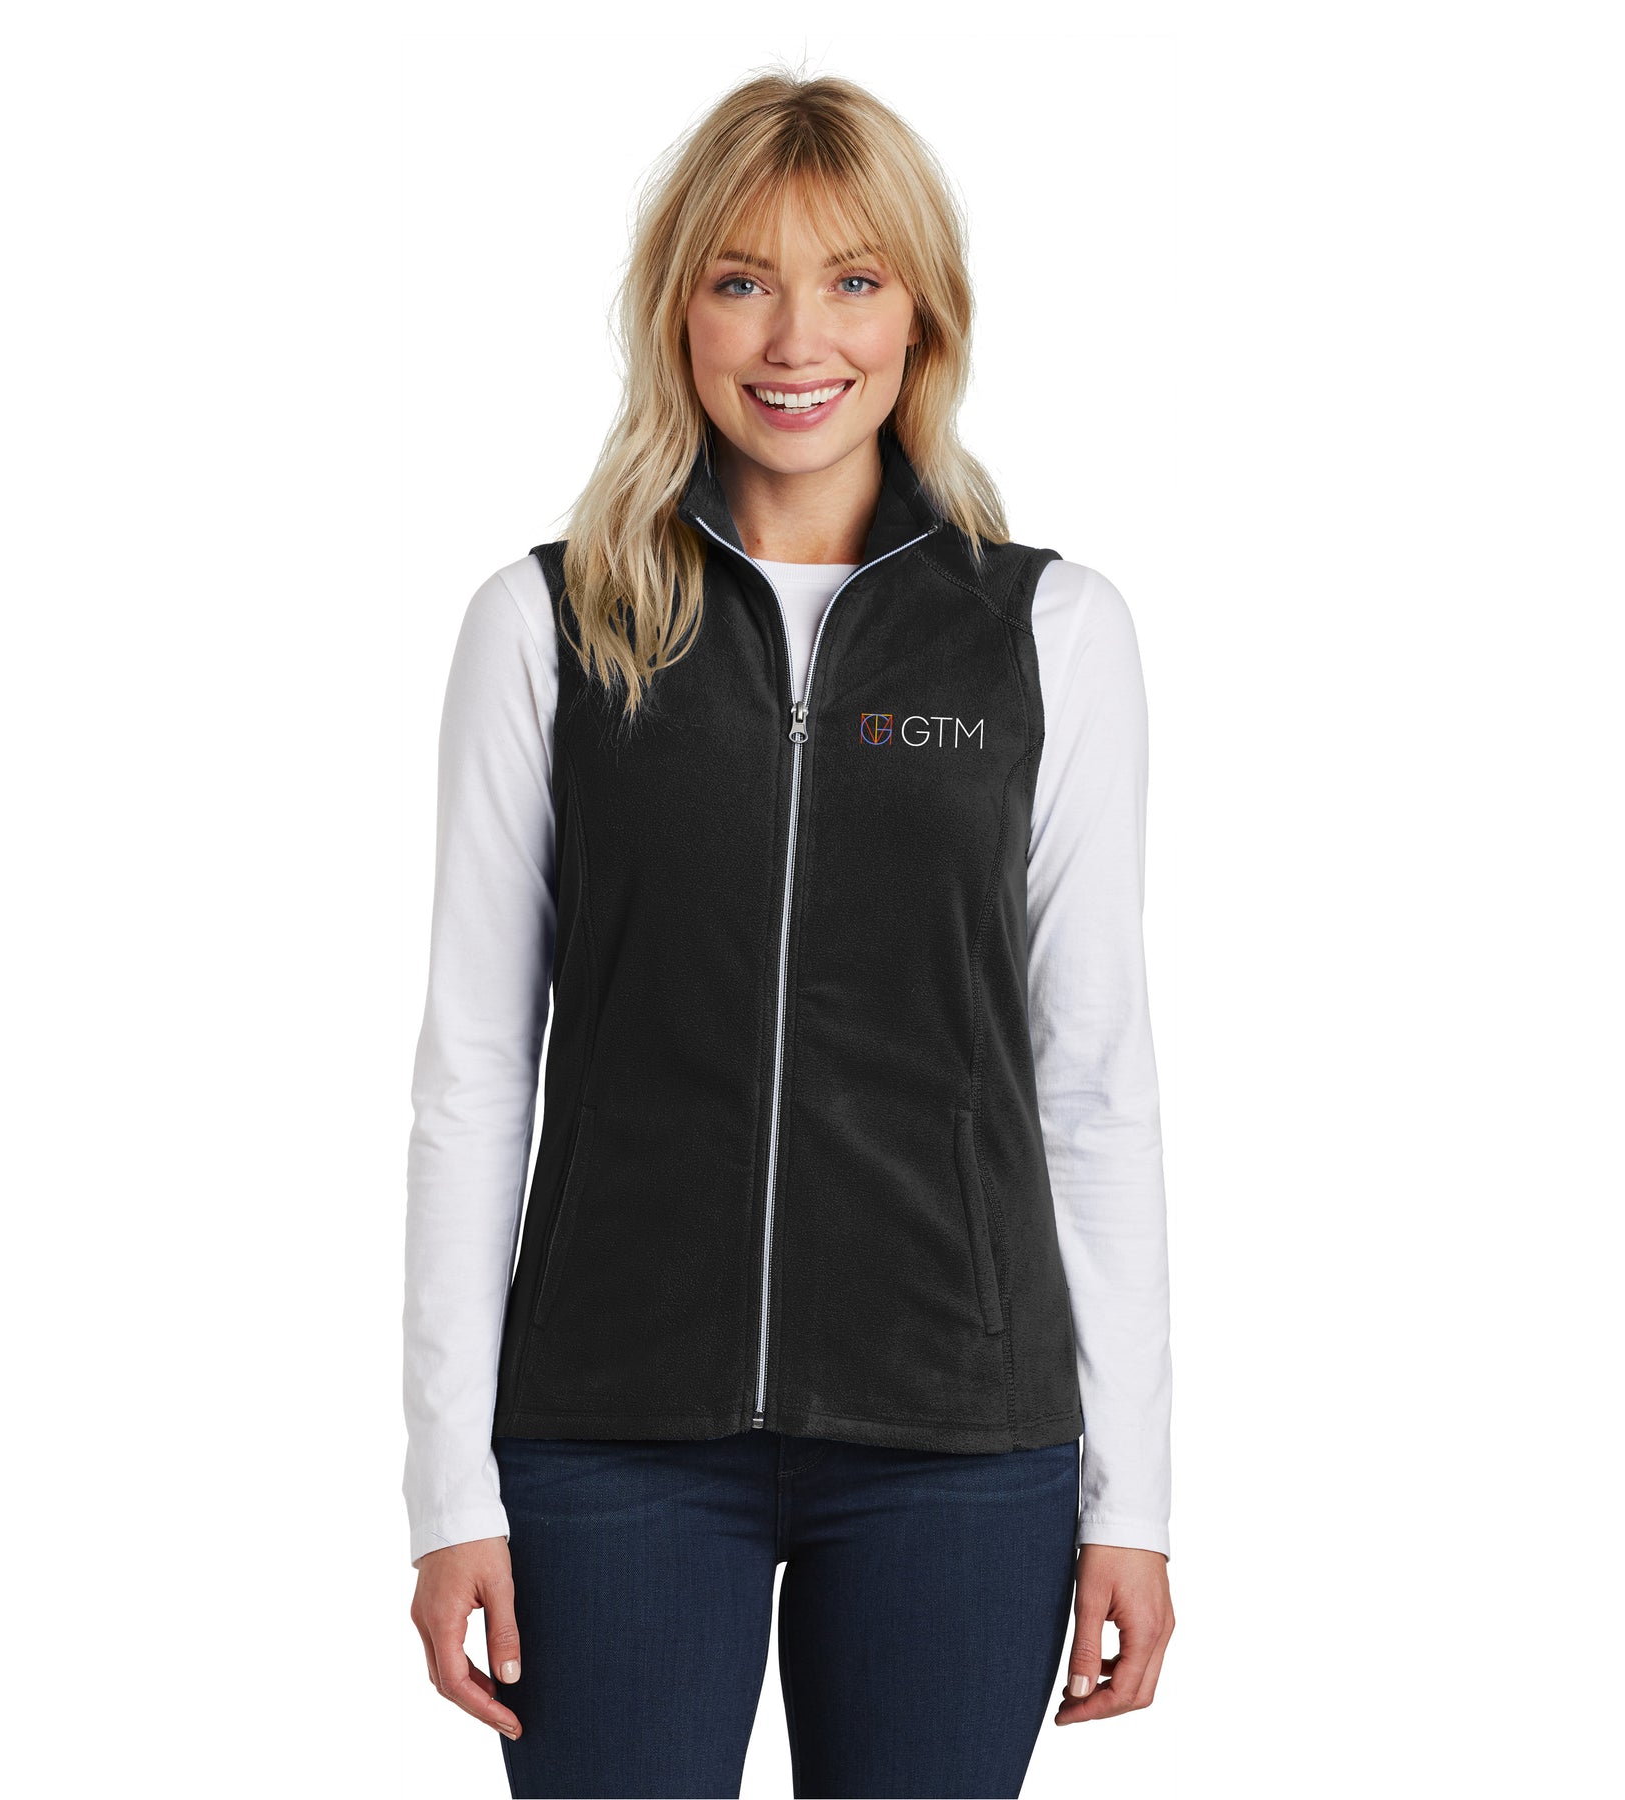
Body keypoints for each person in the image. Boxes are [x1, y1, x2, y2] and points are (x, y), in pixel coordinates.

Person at [404, 67, 1174, 1799]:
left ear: (921, 317)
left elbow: (1095, 1086)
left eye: (854, 278)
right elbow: (472, 1078)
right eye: (742, 278)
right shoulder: (548, 628)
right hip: (610, 1437)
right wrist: (450, 1491)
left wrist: (1135, 1499)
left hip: (959, 1443)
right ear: (676, 310)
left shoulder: (1048, 634)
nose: (795, 337)